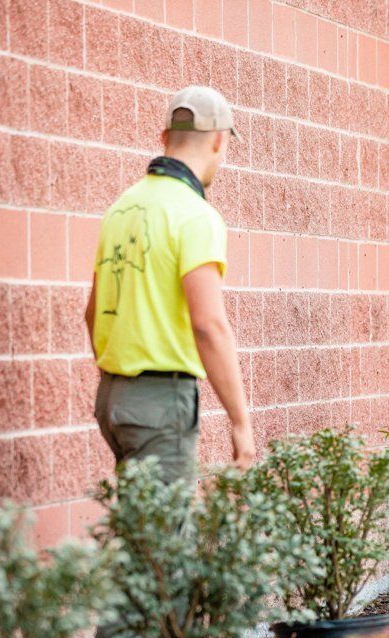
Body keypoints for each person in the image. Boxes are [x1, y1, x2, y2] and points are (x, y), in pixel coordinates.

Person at [84, 85, 255, 482]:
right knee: (165, 539)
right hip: (160, 404)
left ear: (164, 139)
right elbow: (208, 325)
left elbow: (92, 314)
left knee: (141, 531)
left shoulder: (121, 209)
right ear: (218, 140)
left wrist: (120, 382)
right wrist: (241, 423)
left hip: (113, 399)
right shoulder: (194, 215)